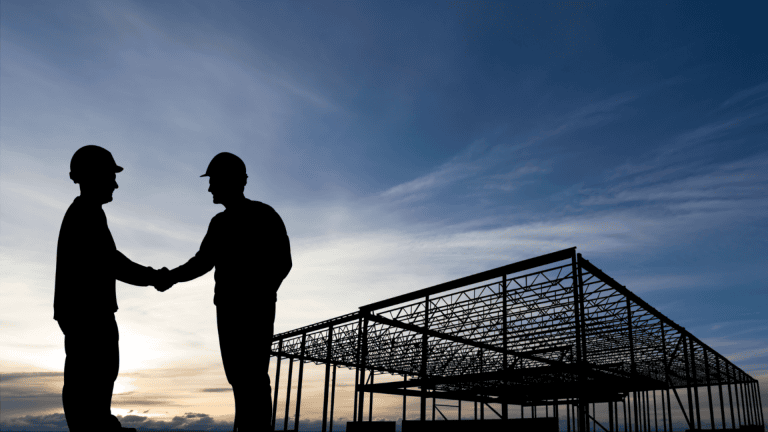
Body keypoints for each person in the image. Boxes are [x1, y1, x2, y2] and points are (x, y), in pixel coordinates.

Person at [154, 152, 292, 432]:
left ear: (232, 181)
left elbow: (283, 262)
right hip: (229, 308)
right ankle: (247, 429)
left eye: (214, 181)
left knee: (251, 373)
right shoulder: (221, 223)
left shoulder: (264, 215)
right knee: (239, 375)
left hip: (251, 308)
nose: (209, 188)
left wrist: (260, 294)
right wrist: (171, 277)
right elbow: (202, 262)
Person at [54, 145, 168, 432]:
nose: (115, 183)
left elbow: (109, 262)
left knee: (93, 378)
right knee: (93, 377)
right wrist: (154, 277)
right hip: (89, 314)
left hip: (85, 313)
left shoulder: (86, 213)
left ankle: (98, 426)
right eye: (110, 175)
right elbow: (112, 263)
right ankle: (95, 430)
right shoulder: (85, 215)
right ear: (93, 176)